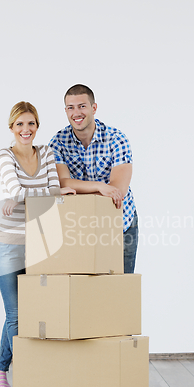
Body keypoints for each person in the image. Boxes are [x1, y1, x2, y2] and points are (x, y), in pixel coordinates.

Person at [0, 101, 75, 387]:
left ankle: (1, 367)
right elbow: (22, 191)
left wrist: (25, 196)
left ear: (37, 127)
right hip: (9, 245)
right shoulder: (5, 155)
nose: (25, 130)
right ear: (12, 128)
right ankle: (23, 373)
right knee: (16, 314)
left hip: (40, 242)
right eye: (19, 124)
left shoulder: (47, 153)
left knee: (31, 309)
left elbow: (51, 192)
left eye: (31, 124)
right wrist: (40, 193)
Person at [49, 84, 138, 273]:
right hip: (80, 226)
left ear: (93, 108)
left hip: (119, 223)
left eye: (82, 106)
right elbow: (63, 183)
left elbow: (117, 191)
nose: (76, 113)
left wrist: (83, 188)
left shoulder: (117, 139)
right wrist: (100, 186)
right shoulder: (57, 142)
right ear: (65, 111)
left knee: (120, 292)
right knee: (86, 294)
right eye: (71, 108)